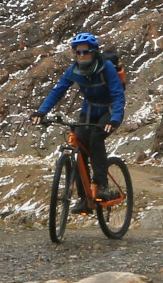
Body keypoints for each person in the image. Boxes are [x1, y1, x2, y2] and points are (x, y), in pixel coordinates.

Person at [36, 31, 125, 204]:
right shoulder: (74, 70)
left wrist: (115, 118)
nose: (82, 55)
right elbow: (58, 91)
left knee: (95, 138)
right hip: (90, 110)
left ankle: (102, 186)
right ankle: (84, 197)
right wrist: (41, 111)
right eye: (78, 52)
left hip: (109, 109)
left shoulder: (106, 67)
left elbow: (118, 95)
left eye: (86, 51)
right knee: (79, 147)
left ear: (94, 52)